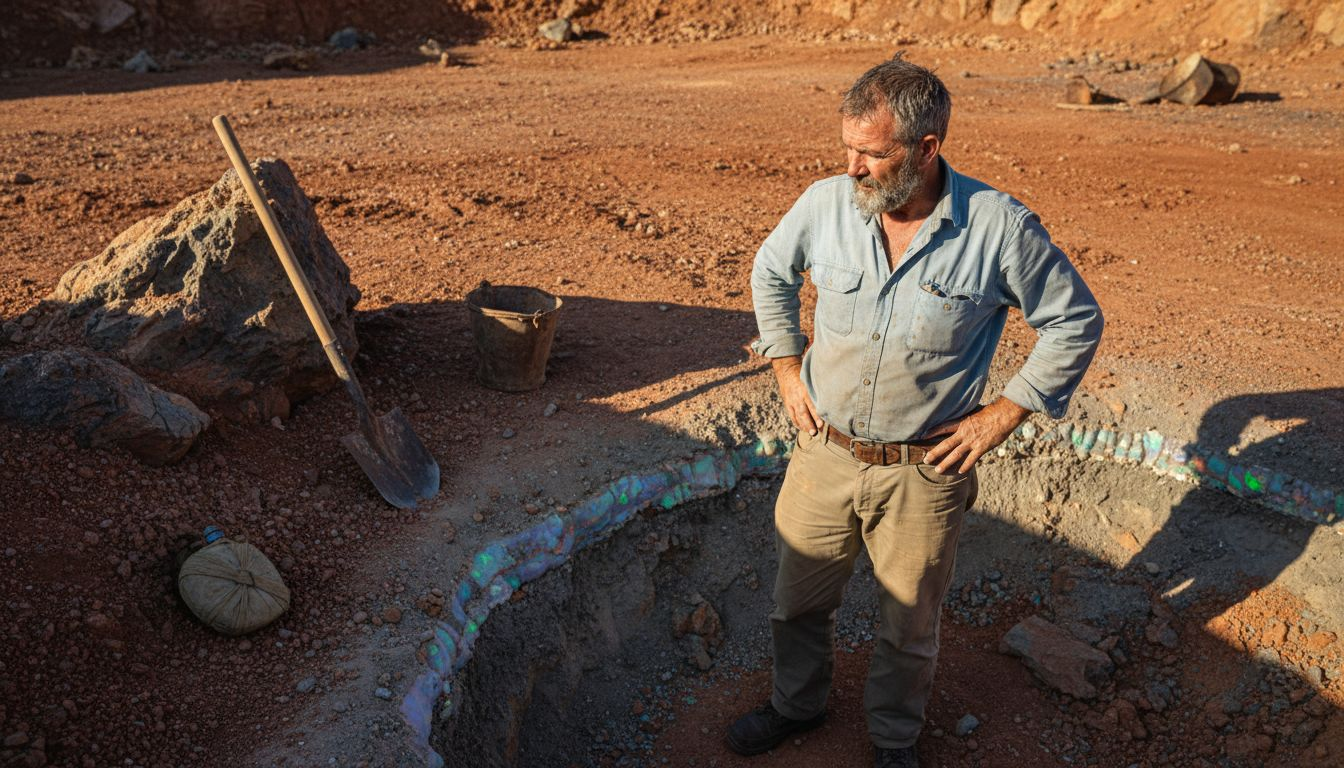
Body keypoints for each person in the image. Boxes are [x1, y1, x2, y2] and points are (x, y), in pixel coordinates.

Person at [731, 54, 1104, 768]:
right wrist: (785, 367)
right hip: (825, 452)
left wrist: (1005, 413)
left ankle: (894, 742)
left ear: (926, 149)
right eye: (847, 148)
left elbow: (1075, 321)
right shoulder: (824, 204)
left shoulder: (998, 228)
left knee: (908, 628)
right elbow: (771, 269)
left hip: (924, 473)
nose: (853, 168)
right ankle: (797, 706)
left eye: (872, 153)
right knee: (796, 604)